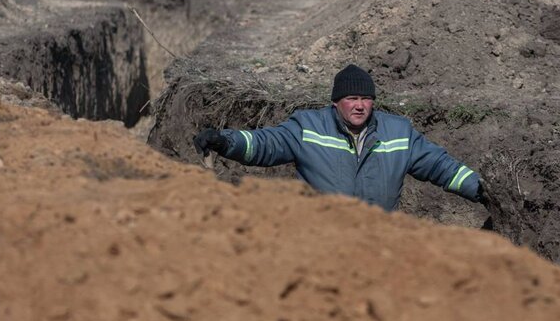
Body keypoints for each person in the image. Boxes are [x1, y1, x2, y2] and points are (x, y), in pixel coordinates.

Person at [193, 64, 499, 215]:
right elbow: (266, 144)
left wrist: (482, 191)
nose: (360, 105)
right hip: (322, 245)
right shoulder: (308, 127)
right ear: (336, 102)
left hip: (380, 245)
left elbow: (440, 166)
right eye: (352, 98)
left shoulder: (398, 133)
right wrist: (224, 141)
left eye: (366, 98)